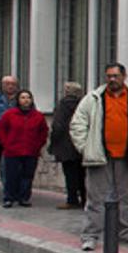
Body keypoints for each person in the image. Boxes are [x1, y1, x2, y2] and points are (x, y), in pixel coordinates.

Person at [69, 63, 128, 251]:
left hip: (127, 156)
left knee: (126, 199)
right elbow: (77, 124)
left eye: (116, 76)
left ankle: (125, 232)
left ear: (124, 76)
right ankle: (90, 235)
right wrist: (86, 148)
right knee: (95, 199)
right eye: (109, 75)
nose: (112, 79)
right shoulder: (93, 98)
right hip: (100, 156)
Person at [0, 89, 49, 208]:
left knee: (27, 176)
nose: (26, 100)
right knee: (11, 175)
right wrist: (6, 143)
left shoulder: (38, 116)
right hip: (12, 150)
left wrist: (37, 145)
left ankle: (24, 198)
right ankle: (9, 198)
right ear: (18, 100)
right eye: (23, 98)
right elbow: (1, 129)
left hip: (31, 151)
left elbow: (43, 132)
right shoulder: (9, 114)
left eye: (28, 98)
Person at [49, 82, 87, 210]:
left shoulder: (63, 105)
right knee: (82, 174)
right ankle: (85, 198)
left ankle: (72, 199)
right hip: (81, 144)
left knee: (69, 173)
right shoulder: (84, 104)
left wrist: (53, 142)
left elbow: (58, 126)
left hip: (65, 145)